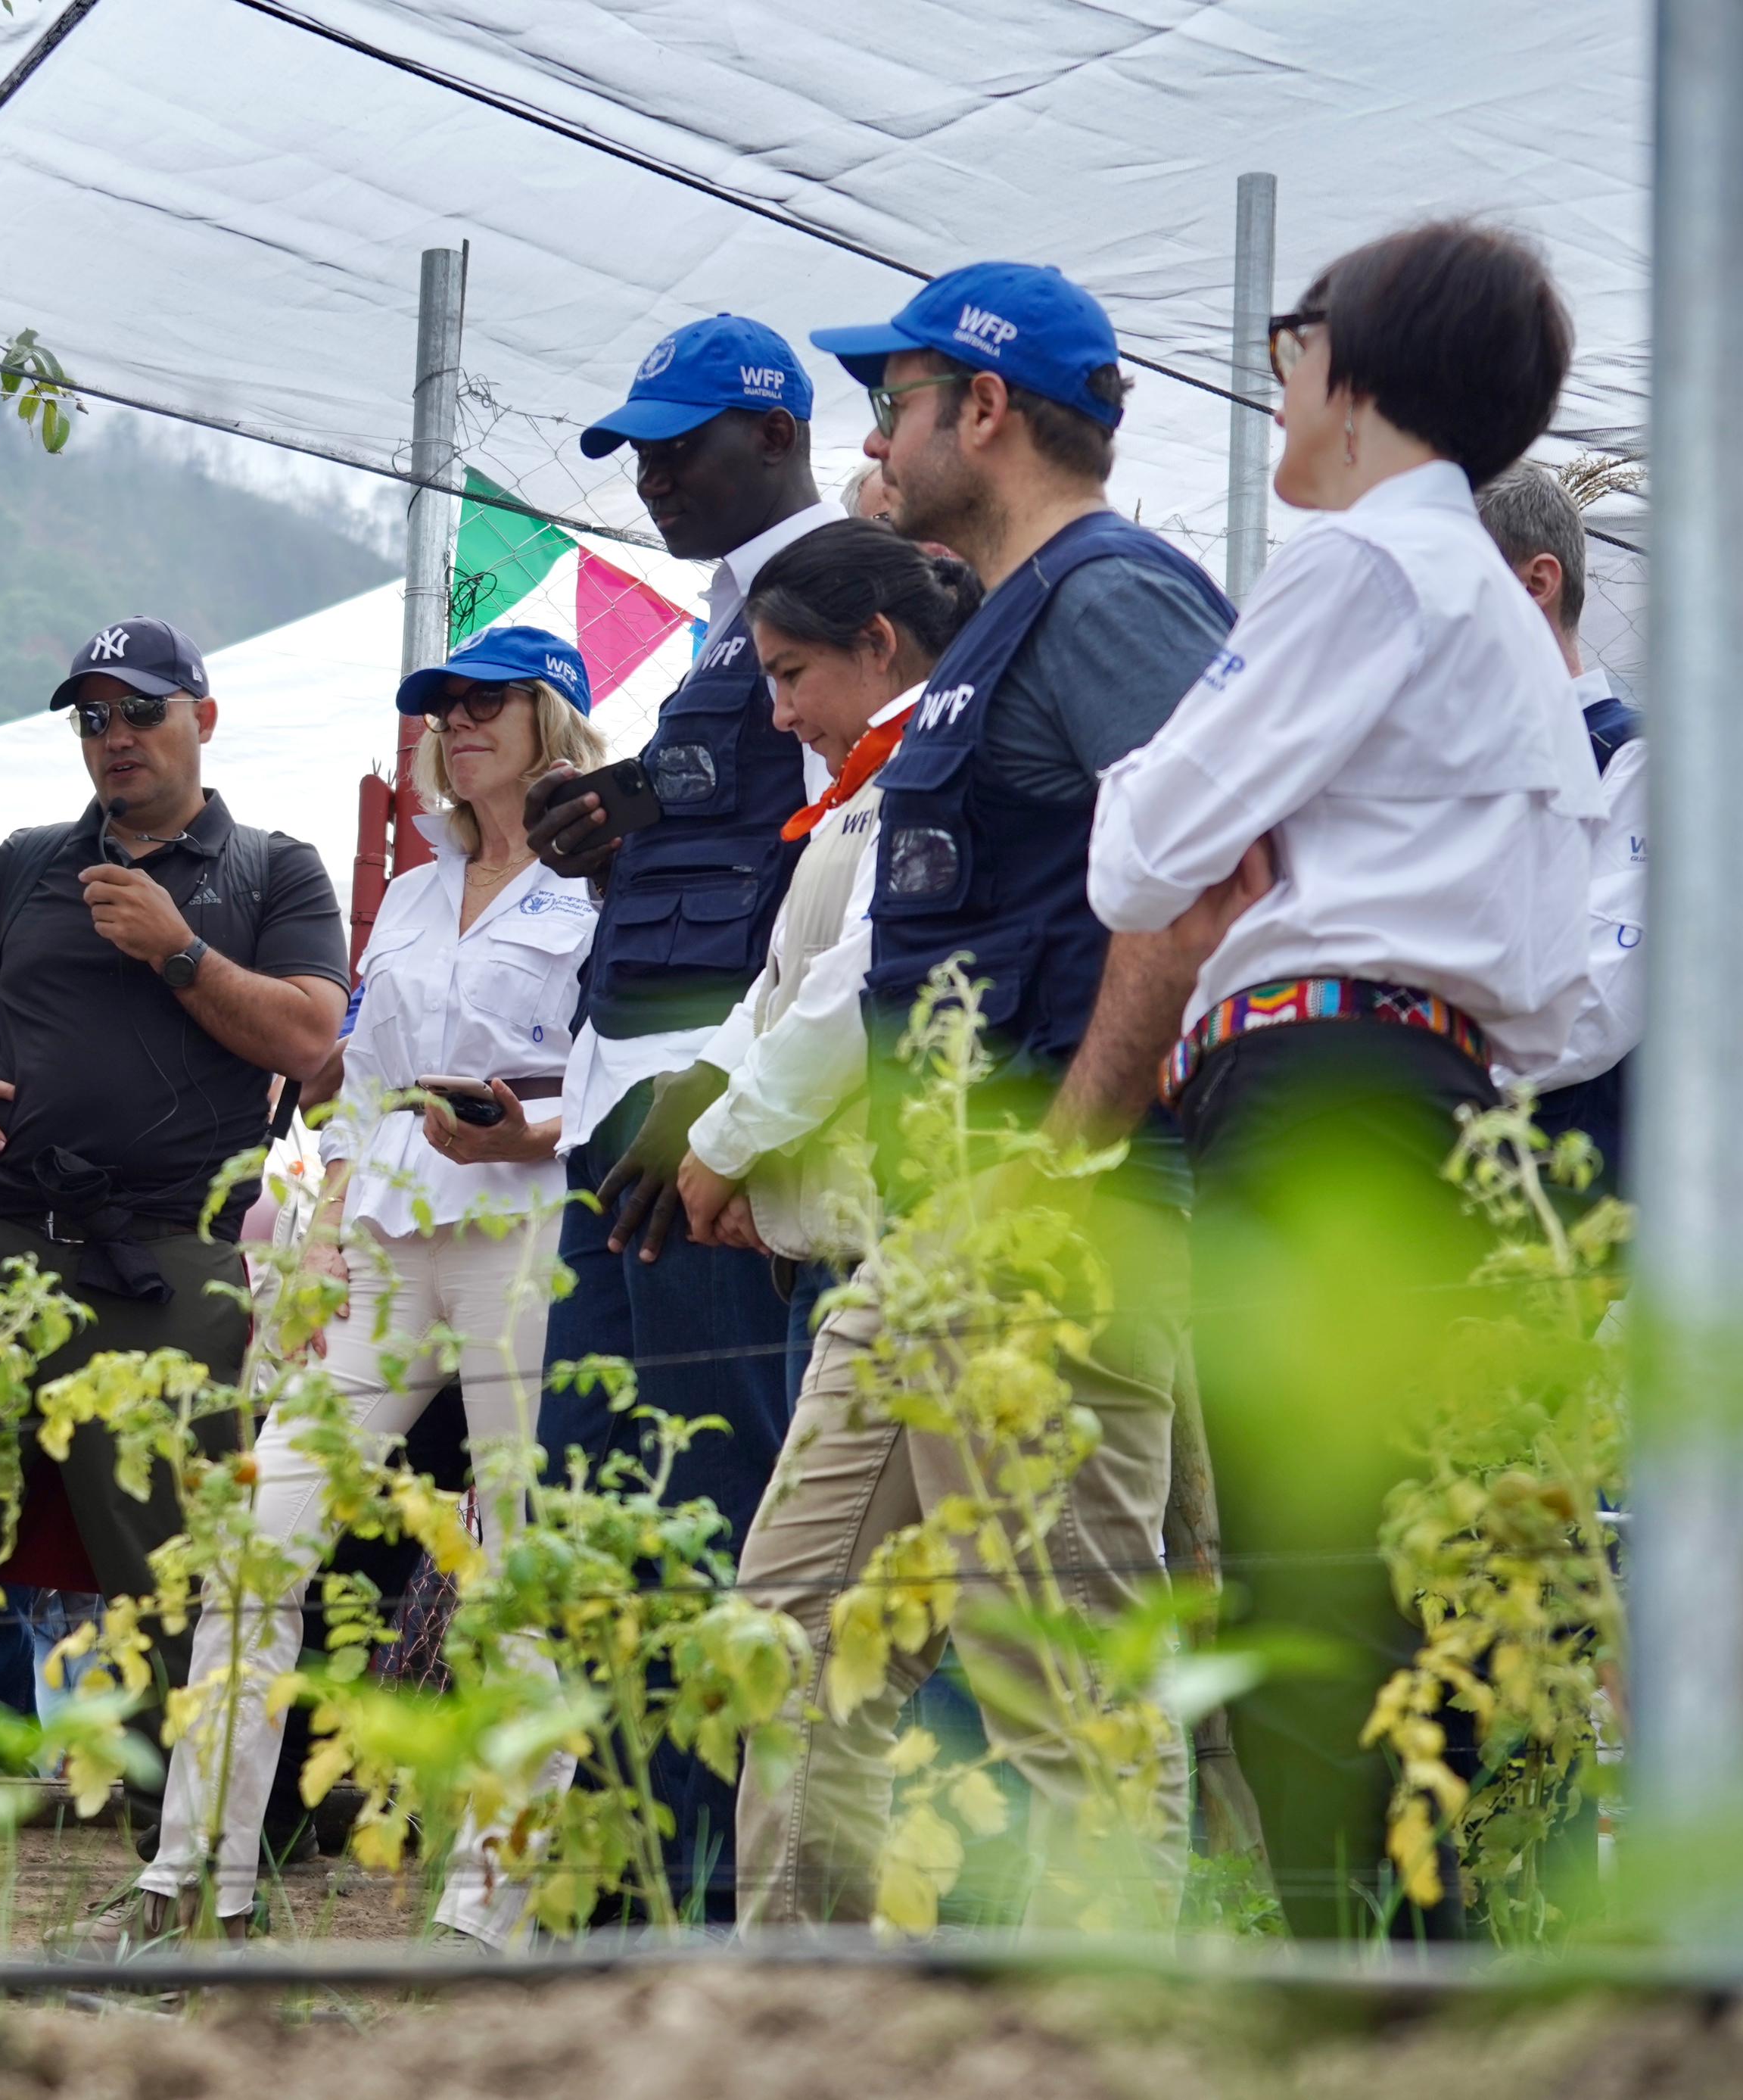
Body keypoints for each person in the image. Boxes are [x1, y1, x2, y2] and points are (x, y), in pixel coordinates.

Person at [1078, 223, 1593, 1938]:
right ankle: (1425, 1978)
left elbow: (1144, 845)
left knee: (1304, 1580)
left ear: (1351, 372)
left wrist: (1183, 829)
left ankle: (1328, 2000)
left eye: (1290, 340)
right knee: (1410, 1588)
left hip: (1307, 1092)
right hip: (1438, 1102)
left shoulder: (1365, 569)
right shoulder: (1506, 619)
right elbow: (1547, 983)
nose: (1274, 375)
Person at [723, 263, 1237, 1931]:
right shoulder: (994, 622)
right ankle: (802, 2021)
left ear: (987, 409)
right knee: (791, 1629)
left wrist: (1069, 1154)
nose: (872, 434)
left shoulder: (1110, 595)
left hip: (1050, 1237)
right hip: (933, 1239)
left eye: (894, 401)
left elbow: (1211, 879)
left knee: (1061, 1693)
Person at [133, 625, 599, 1946]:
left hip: (526, 1233)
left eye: (484, 702)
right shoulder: (411, 882)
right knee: (259, 1536)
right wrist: (330, 1210)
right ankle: (195, 1878)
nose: (457, 722)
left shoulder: (606, 875)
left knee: (517, 1567)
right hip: (390, 1238)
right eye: (441, 706)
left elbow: (622, 1064)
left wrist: (533, 1127)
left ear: (552, 716)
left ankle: (486, 1911)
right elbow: (358, 1078)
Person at [0, 616, 347, 1874]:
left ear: (202, 719)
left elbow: (312, 1041)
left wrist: (178, 949)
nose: (114, 738)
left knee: (173, 1571)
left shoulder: (275, 868)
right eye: (92, 718)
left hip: (171, 1258)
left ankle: (200, 1848)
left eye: (139, 712)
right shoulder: (25, 860)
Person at [515, 316, 832, 1918]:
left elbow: (829, 884)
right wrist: (611, 824)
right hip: (611, 1117)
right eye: (634, 445)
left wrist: (725, 1111)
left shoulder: (844, 595)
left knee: (707, 1513)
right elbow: (715, 843)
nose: (645, 475)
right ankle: (632, 1878)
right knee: (591, 1512)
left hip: (710, 1136)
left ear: (772, 439)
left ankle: (710, 1895)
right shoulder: (720, 643)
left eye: (678, 442)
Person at [671, 523, 985, 1394]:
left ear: (876, 644)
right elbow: (786, 982)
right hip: (828, 1233)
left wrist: (723, 1146)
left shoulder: (928, 771)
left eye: (790, 673)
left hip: (885, 1235)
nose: (778, 713)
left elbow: (853, 988)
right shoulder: (865, 783)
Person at [1477, 462, 1642, 1189]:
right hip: (1442, 1157)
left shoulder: (1630, 755)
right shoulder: (1451, 771)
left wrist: (1419, 1066)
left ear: (1536, 584)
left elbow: (1597, 1004)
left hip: (1556, 1174)